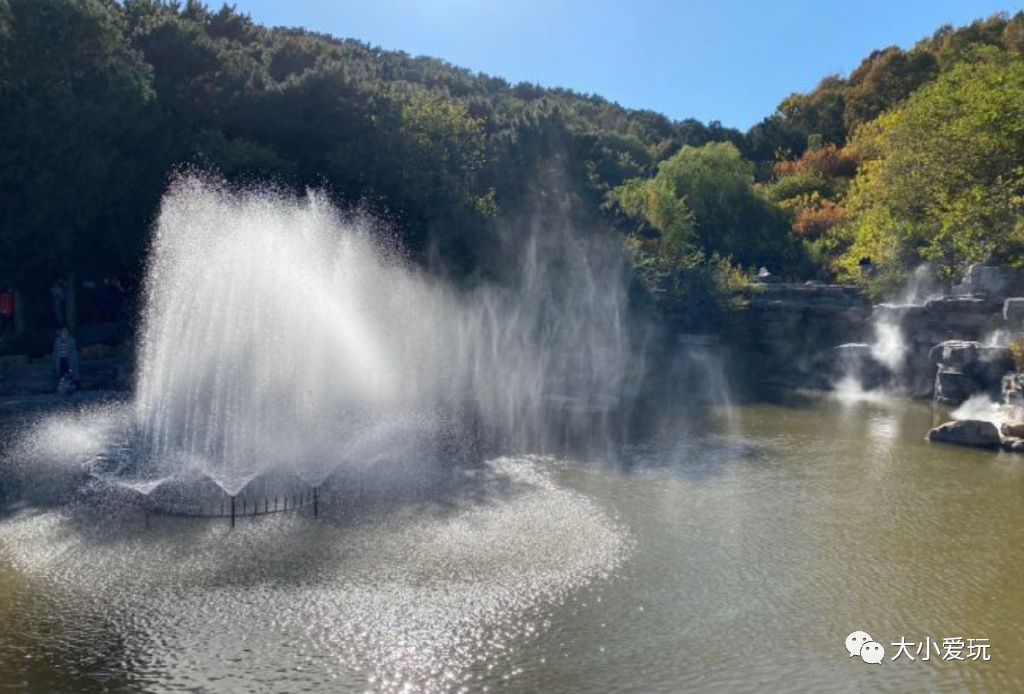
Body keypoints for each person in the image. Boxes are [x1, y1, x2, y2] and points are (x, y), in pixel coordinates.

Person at [52, 326, 80, 394]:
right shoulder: (57, 340)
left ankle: (70, 389)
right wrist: (54, 362)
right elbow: (55, 352)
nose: (64, 332)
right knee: (61, 375)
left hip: (68, 360)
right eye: (63, 331)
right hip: (60, 360)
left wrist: (72, 364)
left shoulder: (71, 340)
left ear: (68, 332)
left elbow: (73, 353)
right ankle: (62, 389)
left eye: (66, 331)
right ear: (61, 332)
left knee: (69, 375)